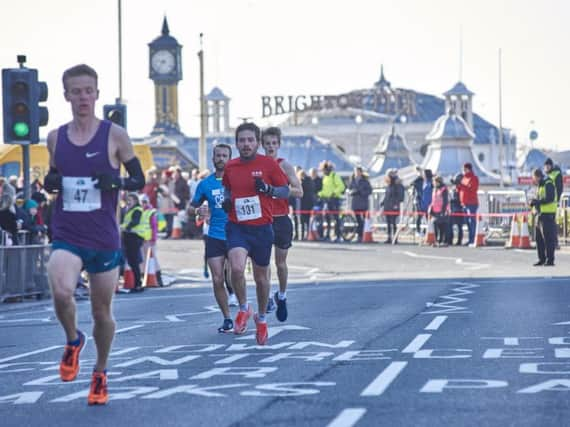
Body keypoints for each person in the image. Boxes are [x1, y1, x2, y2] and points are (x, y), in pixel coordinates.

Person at [43, 64, 145, 405]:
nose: (83, 97)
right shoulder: (55, 137)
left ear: (97, 94)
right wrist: (51, 182)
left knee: (102, 314)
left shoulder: (115, 135)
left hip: (104, 237)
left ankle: (100, 371)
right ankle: (73, 340)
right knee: (60, 291)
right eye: (76, 91)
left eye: (89, 90)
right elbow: (54, 176)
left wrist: (115, 182)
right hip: (68, 232)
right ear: (67, 96)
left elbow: (138, 180)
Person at [222, 122, 289, 345]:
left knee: (261, 279)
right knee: (237, 268)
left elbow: (285, 189)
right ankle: (243, 308)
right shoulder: (231, 167)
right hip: (237, 226)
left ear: (257, 143)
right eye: (242, 140)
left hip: (261, 228)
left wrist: (269, 190)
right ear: (237, 143)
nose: (246, 144)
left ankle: (261, 318)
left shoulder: (268, 164)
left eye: (250, 140)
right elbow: (227, 188)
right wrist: (227, 200)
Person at [189, 143, 238, 333]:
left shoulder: (237, 181)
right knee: (217, 279)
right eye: (218, 155)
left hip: (236, 234)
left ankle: (243, 308)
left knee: (236, 273)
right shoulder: (205, 184)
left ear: (230, 158)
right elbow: (191, 208)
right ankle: (227, 318)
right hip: (214, 235)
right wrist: (198, 210)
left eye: (225, 156)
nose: (221, 159)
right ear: (213, 158)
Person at [261, 127, 303, 321]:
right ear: (262, 145)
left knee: (280, 263)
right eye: (267, 143)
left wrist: (275, 190)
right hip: (261, 218)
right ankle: (268, 296)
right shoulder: (257, 165)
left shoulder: (284, 165)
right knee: (262, 262)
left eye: (274, 143)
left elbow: (299, 191)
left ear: (279, 145)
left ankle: (282, 296)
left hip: (281, 218)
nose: (270, 147)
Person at [529, 168, 557, 266]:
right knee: (539, 239)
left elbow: (550, 198)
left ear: (538, 176)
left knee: (548, 239)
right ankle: (541, 259)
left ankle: (550, 260)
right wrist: (534, 202)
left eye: (534, 178)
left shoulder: (548, 183)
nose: (534, 180)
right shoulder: (540, 186)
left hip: (547, 215)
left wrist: (538, 201)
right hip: (540, 215)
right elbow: (540, 198)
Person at [318, 161, 345, 242]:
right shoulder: (325, 178)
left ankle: (338, 236)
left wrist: (334, 193)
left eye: (323, 170)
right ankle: (328, 235)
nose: (323, 172)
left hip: (334, 199)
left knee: (336, 218)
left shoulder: (334, 176)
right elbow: (325, 190)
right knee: (327, 218)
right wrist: (319, 194)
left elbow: (341, 186)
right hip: (327, 200)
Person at [348, 166, 373, 242]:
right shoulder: (352, 180)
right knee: (358, 220)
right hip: (355, 203)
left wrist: (361, 192)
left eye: (358, 171)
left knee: (363, 220)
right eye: (355, 171)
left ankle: (362, 235)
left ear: (361, 172)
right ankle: (359, 235)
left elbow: (369, 191)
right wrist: (352, 192)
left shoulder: (365, 181)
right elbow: (349, 189)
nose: (357, 173)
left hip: (363, 203)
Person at [457, 162, 479, 245]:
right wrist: (458, 185)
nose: (463, 171)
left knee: (471, 221)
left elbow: (473, 189)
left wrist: (463, 185)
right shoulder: (463, 178)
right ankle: (470, 239)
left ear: (468, 169)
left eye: (464, 169)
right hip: (464, 203)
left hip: (472, 203)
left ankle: (472, 239)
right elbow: (460, 189)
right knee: (467, 222)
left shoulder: (474, 178)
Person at [380, 169, 404, 244]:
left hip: (394, 206)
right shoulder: (389, 185)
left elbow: (400, 197)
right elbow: (387, 195)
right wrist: (383, 202)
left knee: (393, 223)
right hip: (388, 206)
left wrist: (395, 204)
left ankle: (395, 238)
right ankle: (389, 237)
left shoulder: (397, 185)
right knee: (388, 223)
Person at [544, 158, 563, 248]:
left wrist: (558, 200)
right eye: (545, 166)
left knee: (552, 224)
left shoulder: (555, 174)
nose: (546, 168)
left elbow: (559, 188)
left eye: (548, 166)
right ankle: (551, 243)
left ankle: (555, 243)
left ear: (551, 166)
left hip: (553, 203)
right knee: (550, 224)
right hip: (548, 203)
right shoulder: (549, 174)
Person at [428, 175, 449, 246]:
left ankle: (442, 241)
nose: (433, 183)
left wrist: (443, 211)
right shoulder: (434, 189)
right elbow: (433, 200)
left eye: (434, 182)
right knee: (435, 225)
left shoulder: (444, 189)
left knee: (442, 226)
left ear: (438, 182)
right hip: (435, 211)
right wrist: (430, 207)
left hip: (442, 211)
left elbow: (445, 201)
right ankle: (436, 241)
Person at [299, 168, 316, 240]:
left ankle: (302, 236)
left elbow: (300, 193)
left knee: (302, 221)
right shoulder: (311, 182)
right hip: (311, 203)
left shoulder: (302, 182)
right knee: (308, 221)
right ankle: (307, 235)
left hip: (303, 203)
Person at [447, 174, 464, 245]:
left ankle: (459, 241)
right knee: (451, 225)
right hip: (453, 209)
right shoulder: (454, 188)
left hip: (458, 209)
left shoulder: (461, 189)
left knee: (459, 226)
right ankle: (450, 240)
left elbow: (459, 199)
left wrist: (452, 200)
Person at [410, 167, 424, 237]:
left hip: (425, 200)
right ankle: (418, 230)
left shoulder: (426, 180)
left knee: (425, 216)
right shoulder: (417, 181)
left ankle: (425, 231)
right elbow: (411, 183)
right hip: (418, 199)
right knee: (419, 215)